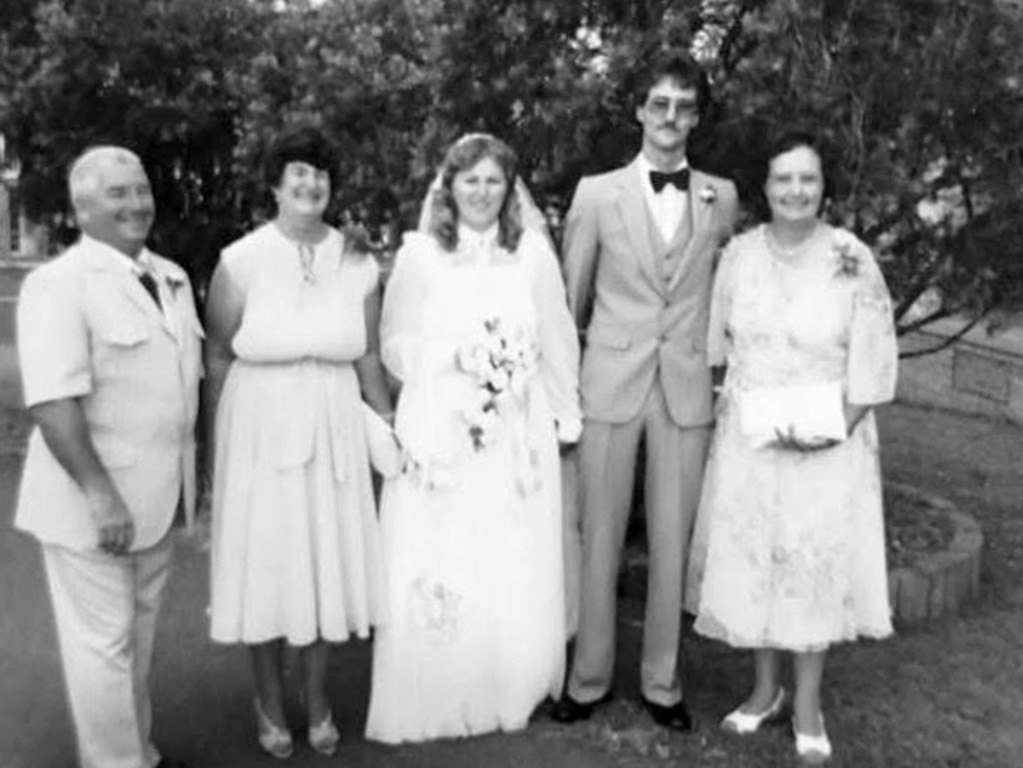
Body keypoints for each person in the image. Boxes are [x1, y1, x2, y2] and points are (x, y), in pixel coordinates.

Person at [685, 126, 898, 764]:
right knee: (758, 562)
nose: (796, 190)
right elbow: (717, 349)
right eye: (784, 179)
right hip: (753, 444)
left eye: (808, 178)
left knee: (810, 569)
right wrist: (741, 409)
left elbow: (875, 359)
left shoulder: (852, 258)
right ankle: (763, 690)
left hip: (827, 447)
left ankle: (807, 704)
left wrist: (836, 426)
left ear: (823, 187)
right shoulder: (740, 256)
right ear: (766, 187)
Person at [364, 133, 582, 743]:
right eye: (470, 181)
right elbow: (394, 345)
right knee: (447, 545)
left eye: (493, 181)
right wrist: (455, 356)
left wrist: (566, 415)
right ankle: (443, 680)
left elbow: (558, 338)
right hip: (442, 426)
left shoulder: (533, 253)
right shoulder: (419, 255)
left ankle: (508, 681)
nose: (482, 192)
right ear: (449, 188)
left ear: (509, 189)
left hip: (517, 425)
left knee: (510, 546)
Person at [553, 50, 740, 730]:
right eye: (658, 103)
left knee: (671, 539)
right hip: (608, 382)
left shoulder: (721, 198)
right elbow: (568, 305)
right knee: (598, 535)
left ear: (696, 117)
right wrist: (563, 388)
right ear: (638, 110)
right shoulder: (595, 194)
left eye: (683, 106)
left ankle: (662, 683)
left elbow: (722, 298)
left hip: (684, 388)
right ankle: (588, 677)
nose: (669, 117)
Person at [203, 127, 392, 759]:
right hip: (260, 423)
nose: (309, 184)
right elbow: (221, 353)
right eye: (297, 173)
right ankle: (267, 701)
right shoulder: (241, 259)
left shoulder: (358, 260)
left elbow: (365, 358)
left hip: (335, 421)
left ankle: (316, 701)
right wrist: (215, 457)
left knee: (324, 563)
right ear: (276, 185)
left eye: (319, 173)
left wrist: (392, 430)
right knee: (268, 564)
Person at [15, 146, 201, 768]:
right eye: (117, 194)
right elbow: (52, 401)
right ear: (83, 208)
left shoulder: (170, 278)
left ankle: (136, 751)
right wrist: (99, 495)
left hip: (156, 499)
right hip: (93, 505)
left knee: (137, 642)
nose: (136, 203)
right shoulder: (57, 285)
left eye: (141, 189)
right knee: (104, 647)